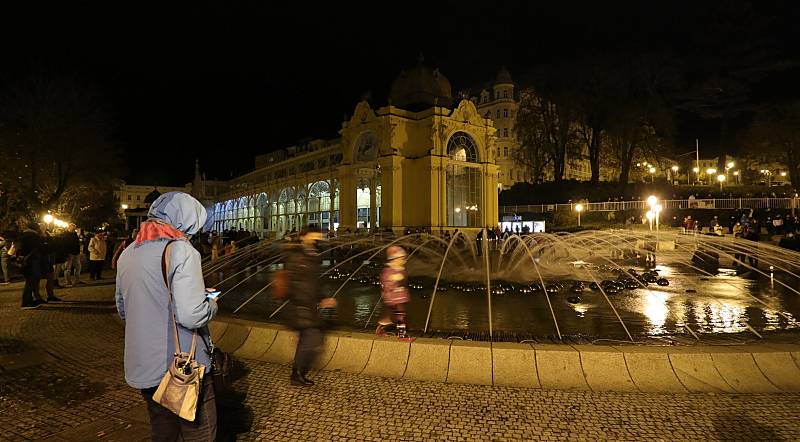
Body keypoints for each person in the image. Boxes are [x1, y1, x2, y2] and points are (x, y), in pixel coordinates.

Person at [116, 192, 219, 441]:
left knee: (163, 431)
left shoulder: (128, 253)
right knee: (199, 433)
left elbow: (122, 308)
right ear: (186, 220)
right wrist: (211, 302)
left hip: (143, 364)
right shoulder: (181, 250)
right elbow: (192, 315)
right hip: (180, 366)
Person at [284, 225, 336, 386]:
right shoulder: (298, 256)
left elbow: (313, 282)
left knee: (306, 340)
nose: (318, 237)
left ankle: (297, 373)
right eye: (314, 235)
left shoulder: (312, 254)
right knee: (311, 338)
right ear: (304, 236)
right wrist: (307, 301)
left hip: (308, 304)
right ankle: (297, 374)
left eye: (319, 235)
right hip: (302, 305)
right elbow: (294, 283)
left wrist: (323, 297)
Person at [375, 246, 410, 337]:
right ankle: (401, 334)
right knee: (400, 316)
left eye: (404, 259)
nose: (404, 261)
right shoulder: (388, 271)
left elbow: (403, 283)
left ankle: (382, 324)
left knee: (397, 317)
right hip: (393, 299)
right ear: (394, 259)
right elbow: (385, 284)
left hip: (401, 298)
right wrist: (393, 280)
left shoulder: (401, 270)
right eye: (401, 259)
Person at [15, 223, 49, 308]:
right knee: (31, 281)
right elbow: (40, 247)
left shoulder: (22, 235)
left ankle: (29, 300)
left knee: (29, 281)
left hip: (24, 260)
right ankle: (26, 302)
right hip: (32, 260)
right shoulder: (34, 236)